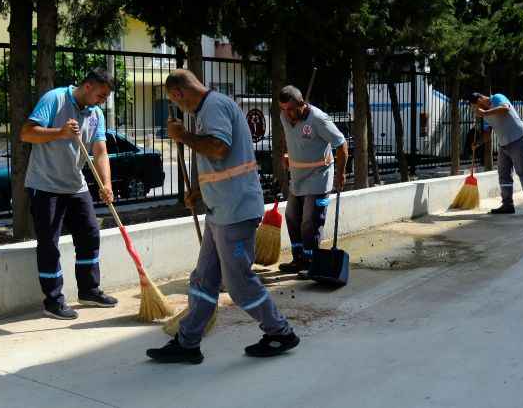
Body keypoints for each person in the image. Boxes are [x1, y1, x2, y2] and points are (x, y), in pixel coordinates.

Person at [146, 69, 299, 364]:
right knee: (204, 280)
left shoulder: (214, 107)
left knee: (239, 283)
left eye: (173, 100)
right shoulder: (209, 109)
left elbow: (218, 148)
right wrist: (200, 192)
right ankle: (188, 342)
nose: (177, 107)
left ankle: (280, 332)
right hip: (221, 210)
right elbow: (225, 165)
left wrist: (183, 135)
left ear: (178, 93)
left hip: (236, 212)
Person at [21, 68, 119, 320]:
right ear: (87, 86)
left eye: (106, 96)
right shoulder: (54, 99)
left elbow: (100, 152)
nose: (103, 100)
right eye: (101, 94)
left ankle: (89, 289)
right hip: (45, 185)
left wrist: (105, 184)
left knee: (89, 234)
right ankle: (53, 300)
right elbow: (27, 133)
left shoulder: (95, 114)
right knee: (49, 242)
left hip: (76, 185)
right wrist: (60, 132)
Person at [276, 85, 349, 274]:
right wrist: (287, 153)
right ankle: (298, 259)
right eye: (283, 109)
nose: (287, 114)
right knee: (292, 217)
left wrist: (340, 174)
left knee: (310, 221)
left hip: (319, 178)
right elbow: (288, 136)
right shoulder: (284, 117)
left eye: (290, 109)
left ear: (301, 104)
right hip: (297, 178)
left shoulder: (318, 119)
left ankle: (312, 263)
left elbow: (341, 145)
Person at [469, 92, 523, 217]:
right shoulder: (486, 115)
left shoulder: (497, 98)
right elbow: (487, 135)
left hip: (520, 140)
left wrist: (485, 113)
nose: (475, 110)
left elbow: (505, 109)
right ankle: (507, 204)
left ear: (480, 99)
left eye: (474, 106)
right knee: (503, 175)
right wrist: (477, 143)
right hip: (504, 146)